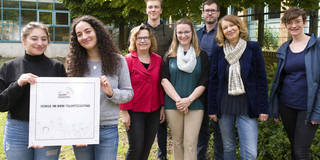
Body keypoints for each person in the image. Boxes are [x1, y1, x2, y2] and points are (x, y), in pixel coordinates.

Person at [66, 15, 133, 160]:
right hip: (80, 128)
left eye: (88, 31)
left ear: (97, 31)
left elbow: (128, 93)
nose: (84, 36)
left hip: (107, 128)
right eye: (79, 34)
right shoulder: (73, 64)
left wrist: (111, 93)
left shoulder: (118, 61)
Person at [0, 22, 66, 160]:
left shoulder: (57, 67)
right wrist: (18, 84)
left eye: (44, 39)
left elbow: (65, 101)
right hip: (18, 130)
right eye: (34, 38)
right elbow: (2, 104)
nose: (40, 43)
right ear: (23, 40)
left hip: (49, 128)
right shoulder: (8, 67)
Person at [208, 15, 268, 159]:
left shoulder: (252, 47)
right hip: (224, 105)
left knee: (250, 153)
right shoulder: (219, 50)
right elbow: (213, 81)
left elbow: (261, 79)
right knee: (228, 148)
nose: (229, 29)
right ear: (221, 32)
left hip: (247, 105)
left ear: (239, 26)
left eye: (232, 25)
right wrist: (212, 109)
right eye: (225, 28)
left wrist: (263, 108)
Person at [269, 7, 320, 160]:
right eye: (289, 23)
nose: (293, 26)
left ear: (304, 22)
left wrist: (318, 112)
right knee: (294, 146)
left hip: (308, 107)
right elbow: (279, 80)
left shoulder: (317, 46)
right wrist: (276, 107)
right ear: (285, 25)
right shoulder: (284, 48)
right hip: (287, 105)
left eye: (297, 21)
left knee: (301, 151)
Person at [161, 18, 209, 160]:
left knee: (190, 143)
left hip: (195, 104)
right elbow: (164, 79)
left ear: (192, 33)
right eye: (180, 32)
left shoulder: (202, 55)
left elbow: (204, 81)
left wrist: (188, 100)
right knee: (177, 142)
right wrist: (179, 101)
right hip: (173, 104)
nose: (183, 35)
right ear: (175, 34)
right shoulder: (169, 55)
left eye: (187, 32)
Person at [134, 1, 174, 159]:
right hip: (143, 79)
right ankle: (141, 152)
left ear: (161, 10)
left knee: (161, 121)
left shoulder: (170, 33)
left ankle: (162, 155)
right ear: (146, 9)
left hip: (163, 79)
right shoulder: (138, 31)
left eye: (156, 7)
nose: (153, 10)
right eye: (150, 7)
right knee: (143, 120)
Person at [120, 24, 164, 160]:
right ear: (134, 40)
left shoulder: (158, 59)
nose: (143, 41)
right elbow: (122, 86)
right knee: (136, 147)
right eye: (139, 38)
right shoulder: (127, 60)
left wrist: (162, 106)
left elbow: (160, 85)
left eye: (146, 37)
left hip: (154, 110)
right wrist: (124, 111)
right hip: (134, 111)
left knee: (146, 148)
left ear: (151, 40)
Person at [196, 0, 223, 159]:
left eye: (213, 10)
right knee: (200, 129)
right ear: (203, 13)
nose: (210, 13)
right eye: (207, 10)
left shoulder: (224, 32)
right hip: (199, 87)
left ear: (218, 13)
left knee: (218, 129)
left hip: (218, 89)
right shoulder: (197, 34)